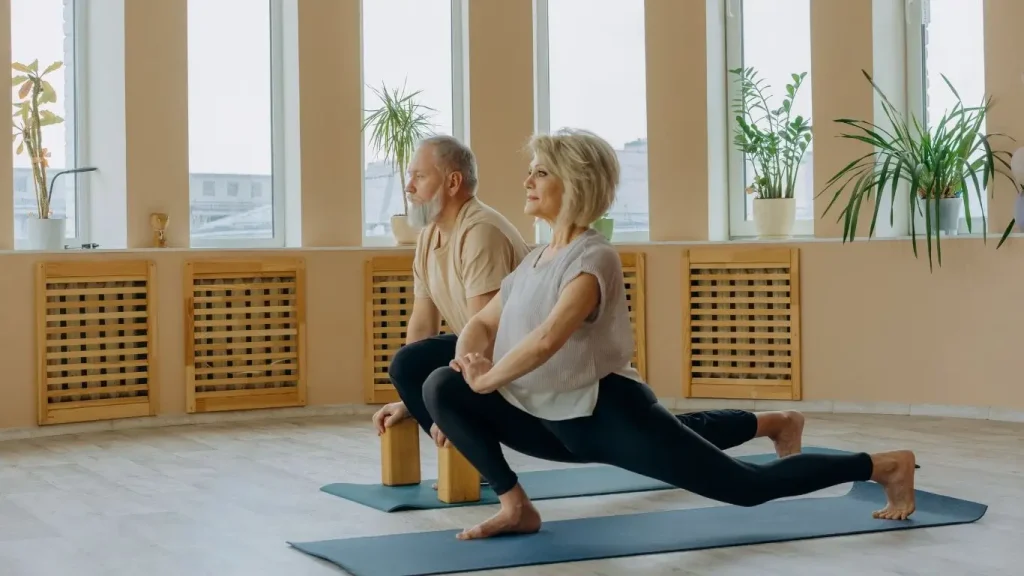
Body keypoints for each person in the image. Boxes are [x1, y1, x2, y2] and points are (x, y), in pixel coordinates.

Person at [418, 128, 918, 541]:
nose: (527, 180)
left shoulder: (593, 257)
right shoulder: (534, 260)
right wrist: (467, 364)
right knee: (441, 384)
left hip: (605, 415)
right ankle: (516, 506)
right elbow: (483, 323)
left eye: (541, 172)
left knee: (745, 487)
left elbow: (549, 338)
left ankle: (882, 466)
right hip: (544, 420)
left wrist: (487, 380)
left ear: (574, 182)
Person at [372, 136, 808, 465]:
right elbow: (429, 327)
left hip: (537, 361)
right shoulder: (428, 237)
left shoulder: (481, 232)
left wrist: (454, 402)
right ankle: (772, 422)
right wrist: (420, 402)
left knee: (663, 440)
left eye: (418, 176)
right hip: (499, 359)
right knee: (411, 364)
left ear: (452, 181)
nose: (408, 186)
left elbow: (494, 336)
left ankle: (776, 422)